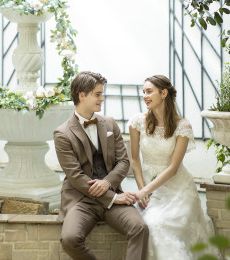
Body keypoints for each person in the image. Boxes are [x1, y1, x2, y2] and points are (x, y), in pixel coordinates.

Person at [54, 71, 149, 260]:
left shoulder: (110, 123)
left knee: (140, 228)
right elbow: (76, 177)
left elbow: (124, 161)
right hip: (82, 200)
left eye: (101, 94)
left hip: (113, 194)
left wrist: (108, 184)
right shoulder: (62, 133)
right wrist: (112, 198)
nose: (102, 99)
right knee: (69, 239)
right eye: (97, 94)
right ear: (82, 95)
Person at [128, 75, 219, 260]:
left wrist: (145, 190)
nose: (145, 95)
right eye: (143, 92)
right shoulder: (137, 121)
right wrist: (142, 190)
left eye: (149, 91)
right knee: (149, 224)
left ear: (163, 93)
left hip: (179, 191)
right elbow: (135, 160)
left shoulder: (182, 126)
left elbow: (173, 169)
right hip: (149, 189)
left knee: (158, 225)